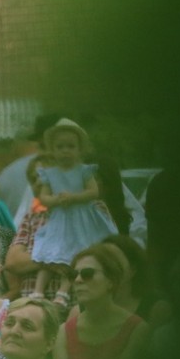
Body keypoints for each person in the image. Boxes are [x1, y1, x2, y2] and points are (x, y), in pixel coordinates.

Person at [30, 119, 117, 300]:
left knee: (77, 254)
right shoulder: (50, 173)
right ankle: (38, 291)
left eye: (71, 146)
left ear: (79, 150)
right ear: (52, 150)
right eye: (60, 147)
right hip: (61, 219)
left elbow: (94, 192)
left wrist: (74, 197)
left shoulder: (84, 171)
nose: (65, 151)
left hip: (82, 219)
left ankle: (63, 292)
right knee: (51, 254)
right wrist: (55, 200)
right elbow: (43, 197)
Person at [53, 244, 149, 359]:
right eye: (73, 275)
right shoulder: (63, 331)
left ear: (111, 280)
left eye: (87, 273)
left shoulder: (137, 329)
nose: (77, 280)